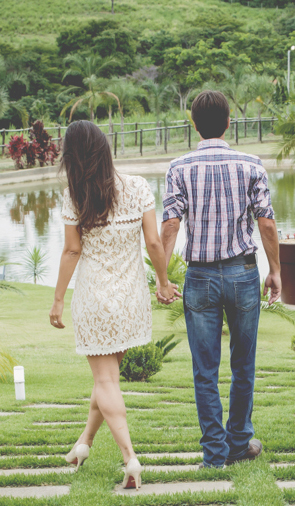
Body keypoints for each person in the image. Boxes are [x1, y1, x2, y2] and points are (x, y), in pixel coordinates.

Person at [48, 120, 178, 490]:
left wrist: (58, 299)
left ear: (72, 157)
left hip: (94, 300)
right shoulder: (137, 186)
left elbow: (73, 250)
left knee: (104, 381)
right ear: (104, 148)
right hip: (130, 300)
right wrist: (164, 283)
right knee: (108, 382)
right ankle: (83, 445)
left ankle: (129, 459)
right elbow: (154, 243)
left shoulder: (75, 196)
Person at [158, 90, 281, 469]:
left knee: (204, 369)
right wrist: (275, 271)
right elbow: (266, 222)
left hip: (200, 277)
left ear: (193, 124)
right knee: (243, 364)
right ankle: (240, 442)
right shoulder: (252, 165)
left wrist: (162, 278)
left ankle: (214, 453)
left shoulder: (179, 168)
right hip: (244, 273)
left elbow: (171, 224)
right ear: (230, 121)